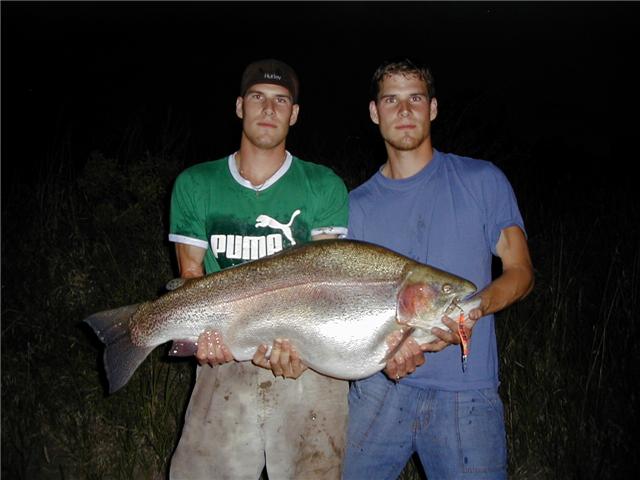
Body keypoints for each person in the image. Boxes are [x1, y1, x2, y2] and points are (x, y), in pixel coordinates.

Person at [342, 58, 534, 479]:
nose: (405, 111)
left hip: (466, 393)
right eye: (391, 100)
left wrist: (475, 308)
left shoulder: (482, 180)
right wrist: (381, 358)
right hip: (378, 392)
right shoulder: (353, 207)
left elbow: (520, 271)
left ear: (432, 108)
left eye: (415, 98)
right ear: (375, 113)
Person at [168, 59, 349, 480]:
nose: (269, 110)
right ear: (239, 106)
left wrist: (310, 351)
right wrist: (201, 338)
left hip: (307, 364)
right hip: (226, 356)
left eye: (281, 101)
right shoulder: (196, 184)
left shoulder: (324, 185)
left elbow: (328, 287)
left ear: (295, 113)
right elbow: (190, 277)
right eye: (258, 98)